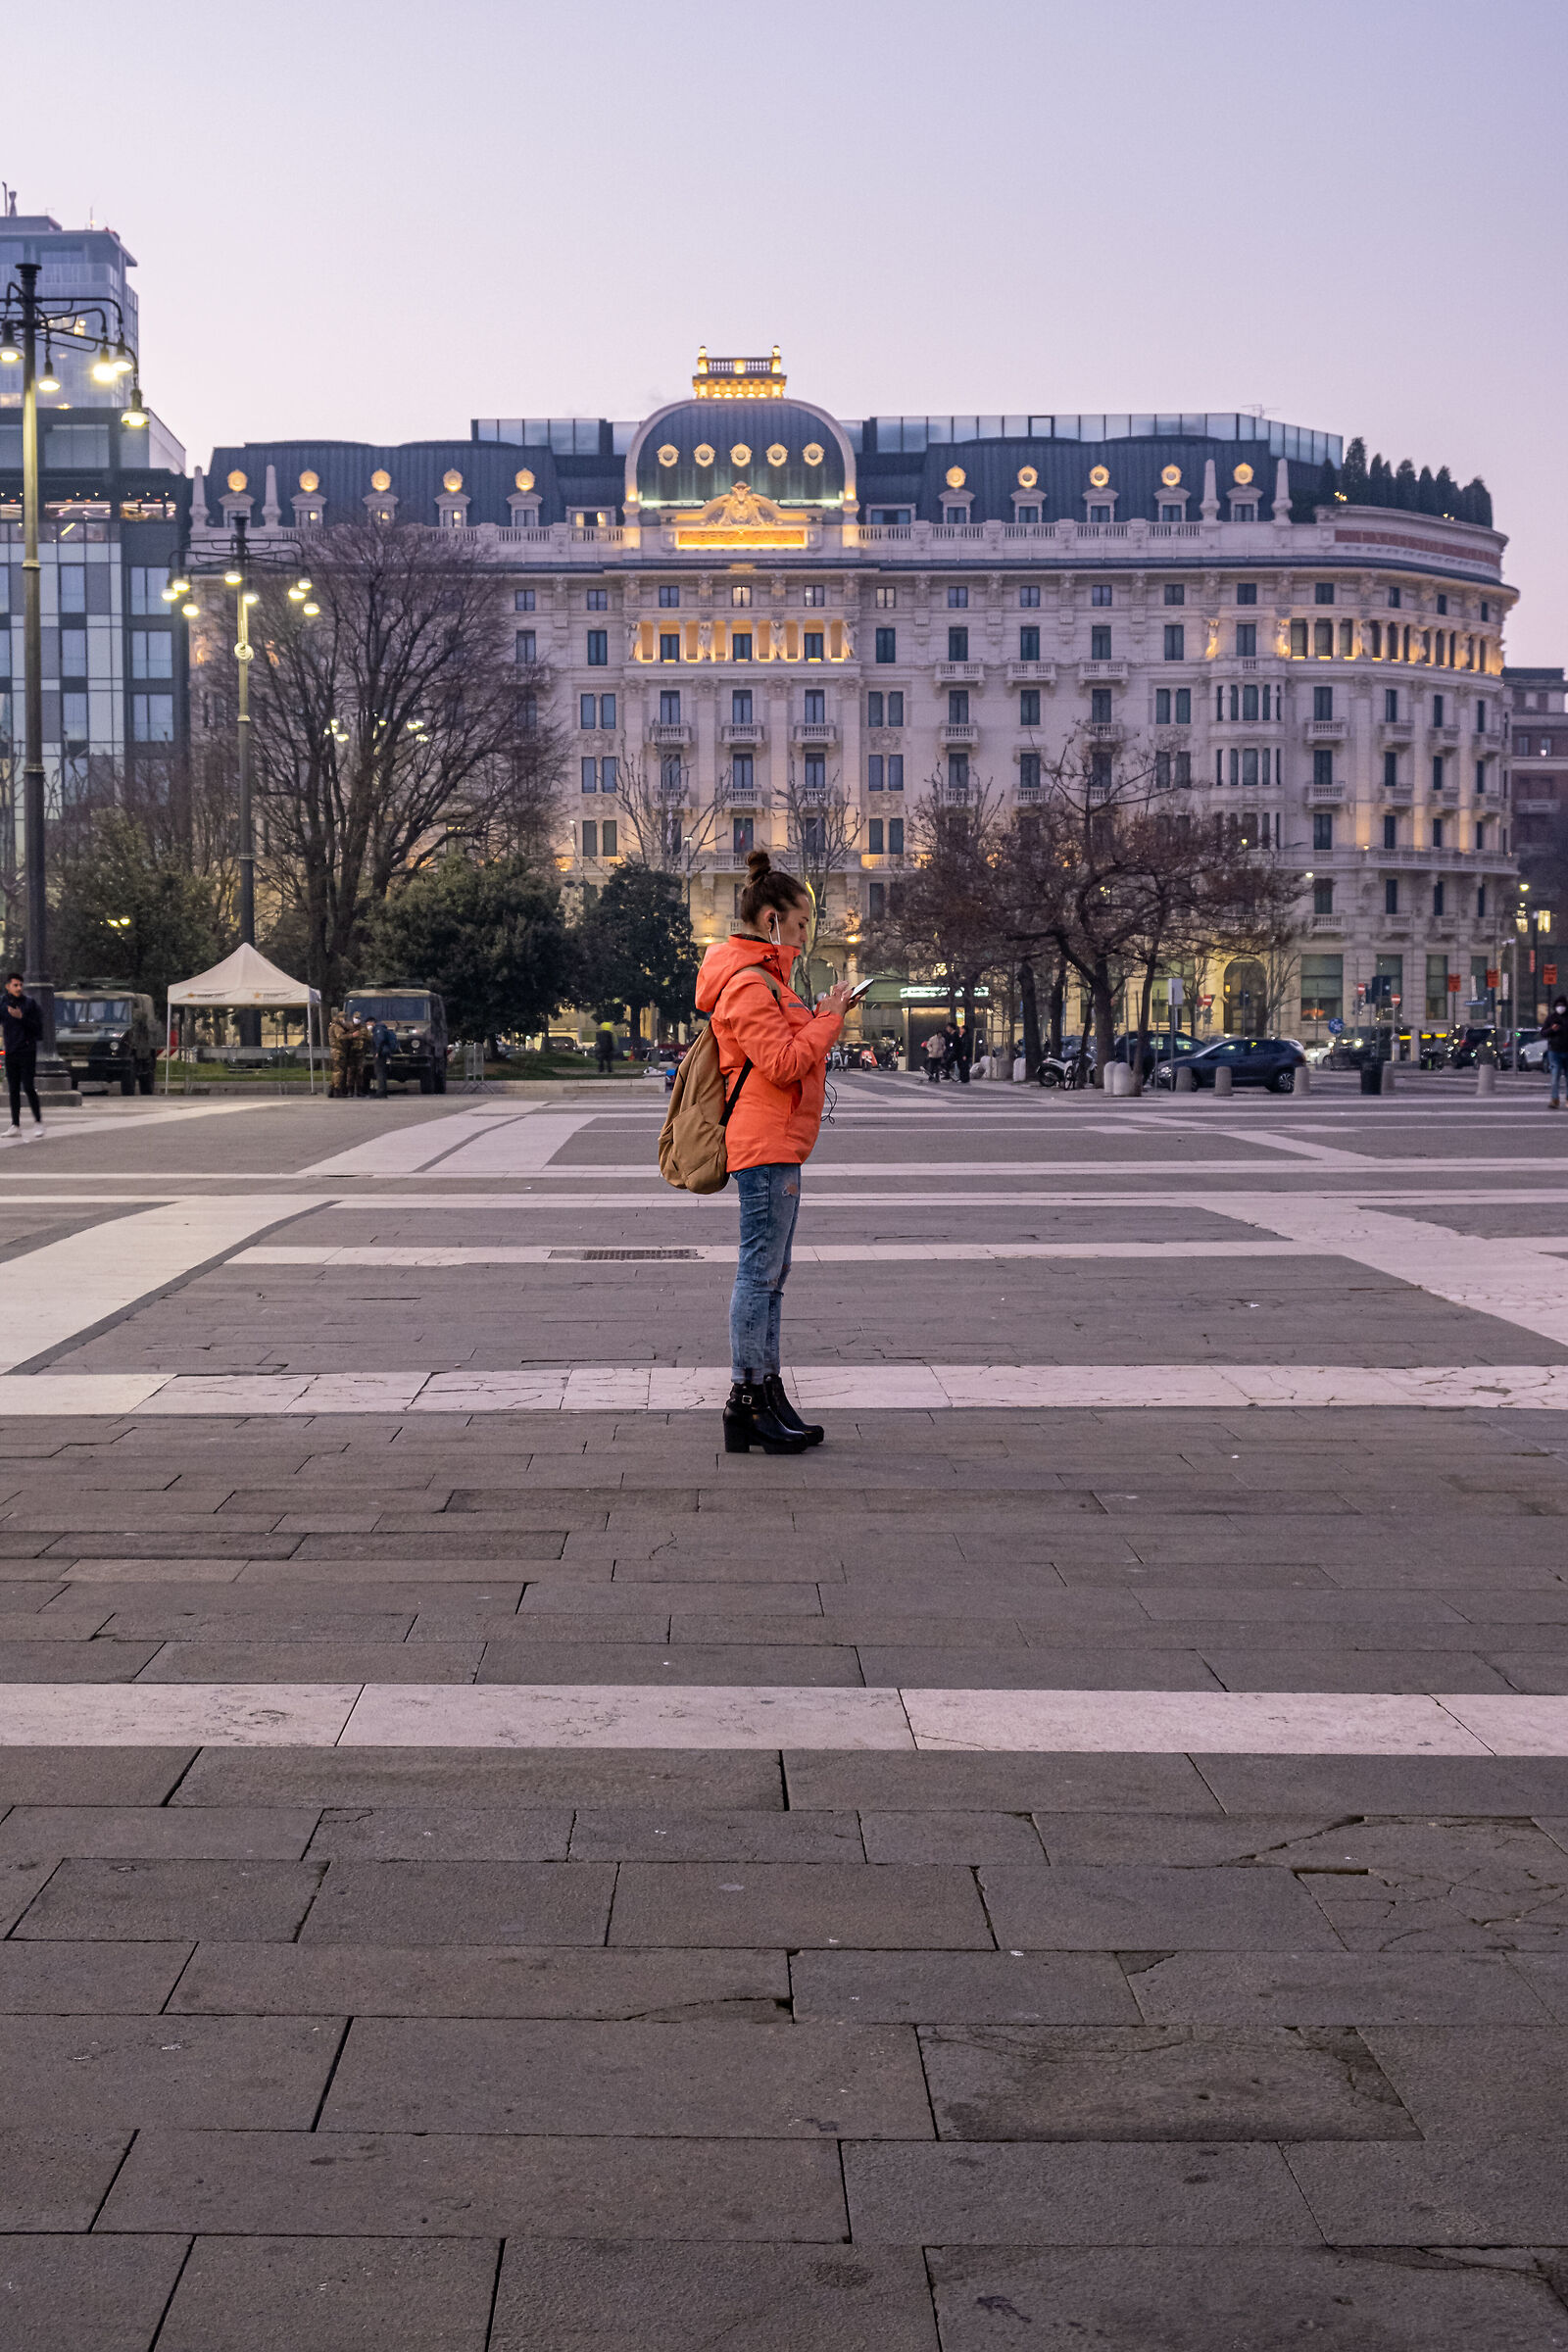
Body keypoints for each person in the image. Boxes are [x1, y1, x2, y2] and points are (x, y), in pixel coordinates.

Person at [695, 850, 851, 1454]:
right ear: (771, 920)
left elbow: (786, 1053)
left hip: (781, 1140)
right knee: (758, 1273)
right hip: (763, 1143)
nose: (808, 934)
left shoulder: (769, 981)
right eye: (802, 922)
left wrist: (822, 1015)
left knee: (773, 1276)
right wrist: (828, 1021)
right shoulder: (747, 983)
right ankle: (746, 1399)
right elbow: (782, 1063)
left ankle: (767, 1390)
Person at [0, 973, 42, 1138]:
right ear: (8, 986)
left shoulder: (30, 1004)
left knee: (29, 1087)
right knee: (13, 1089)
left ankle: (38, 1122)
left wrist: (21, 1017)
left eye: (20, 985)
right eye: (15, 985)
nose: (19, 988)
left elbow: (38, 1029)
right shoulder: (3, 1003)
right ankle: (15, 1125)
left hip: (27, 1051)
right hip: (11, 1051)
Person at [1544, 995, 1568, 1108]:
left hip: (1567, 1050)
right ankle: (1554, 1099)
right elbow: (1543, 1033)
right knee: (1555, 1076)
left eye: (1562, 1005)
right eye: (1558, 1005)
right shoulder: (1551, 1018)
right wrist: (1551, 1029)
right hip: (1554, 1051)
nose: (1561, 1007)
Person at [369, 1018, 396, 1099]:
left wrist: (377, 1052)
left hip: (380, 1054)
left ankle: (381, 1092)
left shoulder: (378, 1029)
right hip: (384, 1052)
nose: (368, 1026)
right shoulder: (383, 1028)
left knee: (379, 1072)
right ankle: (383, 1092)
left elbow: (379, 1040)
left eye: (368, 1024)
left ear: (372, 1022)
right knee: (382, 1072)